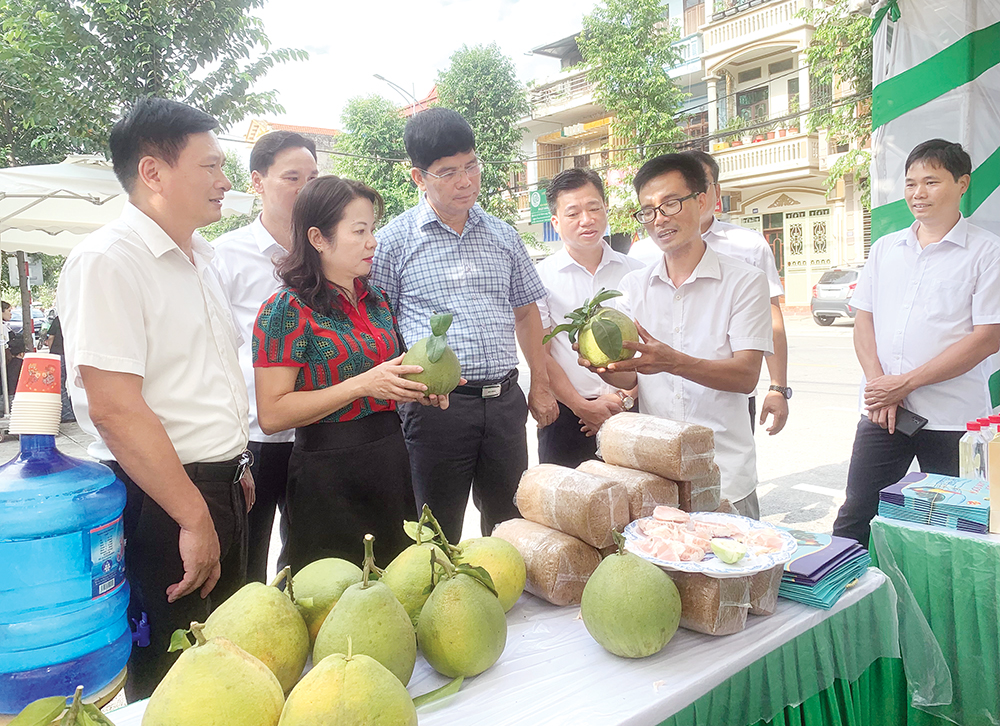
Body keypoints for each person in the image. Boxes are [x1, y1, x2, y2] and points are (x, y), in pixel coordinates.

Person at [56, 97, 252, 700]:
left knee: (229, 665)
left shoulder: (202, 259)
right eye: (211, 166)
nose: (225, 182)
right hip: (163, 499)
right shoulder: (110, 260)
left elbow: (201, 380)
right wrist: (192, 513)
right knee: (177, 680)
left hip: (217, 486)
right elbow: (115, 408)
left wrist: (234, 461)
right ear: (154, 173)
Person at [372, 107, 558, 544]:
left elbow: (526, 313)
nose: (465, 181)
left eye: (471, 166)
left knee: (511, 527)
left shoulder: (502, 234)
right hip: (436, 410)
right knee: (433, 531)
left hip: (504, 403)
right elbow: (379, 326)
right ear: (418, 177)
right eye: (448, 172)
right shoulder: (393, 242)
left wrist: (541, 385)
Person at [253, 175, 449, 573]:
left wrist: (422, 388)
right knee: (331, 593)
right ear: (318, 238)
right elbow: (272, 415)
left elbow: (383, 379)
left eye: (372, 229)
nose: (372, 241)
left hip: (389, 460)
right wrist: (361, 385)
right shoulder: (286, 309)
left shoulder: (375, 300)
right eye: (359, 231)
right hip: (327, 473)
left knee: (398, 583)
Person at [580, 154, 773, 517]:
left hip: (725, 475)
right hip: (659, 479)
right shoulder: (633, 287)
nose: (659, 220)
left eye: (670, 203)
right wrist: (601, 366)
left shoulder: (744, 281)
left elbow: (746, 374)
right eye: (648, 211)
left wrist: (675, 362)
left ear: (702, 200)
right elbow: (632, 372)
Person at [833, 139, 1000, 546]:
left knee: (958, 529)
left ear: (962, 184)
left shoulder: (986, 251)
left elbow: (987, 338)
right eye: (910, 184)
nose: (917, 194)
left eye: (930, 182)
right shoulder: (886, 248)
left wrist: (904, 383)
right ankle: (840, 601)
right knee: (857, 513)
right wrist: (881, 387)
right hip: (883, 413)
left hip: (953, 421)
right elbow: (864, 320)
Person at [214, 131, 319, 582]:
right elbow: (215, 351)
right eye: (292, 177)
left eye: (313, 177)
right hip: (253, 439)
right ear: (257, 181)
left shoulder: (325, 251)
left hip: (316, 433)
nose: (306, 187)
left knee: (310, 558)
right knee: (246, 562)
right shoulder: (224, 256)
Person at [535, 168, 643, 467]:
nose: (587, 219)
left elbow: (651, 343)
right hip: (568, 418)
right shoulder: (539, 279)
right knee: (567, 509)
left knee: (635, 505)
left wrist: (626, 398)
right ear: (556, 222)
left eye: (594, 208)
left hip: (631, 411)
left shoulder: (637, 272)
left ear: (605, 209)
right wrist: (582, 406)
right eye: (573, 213)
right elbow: (541, 354)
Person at [680, 150, 790, 435]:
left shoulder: (747, 245)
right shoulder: (646, 251)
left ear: (714, 191)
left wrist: (778, 386)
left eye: (699, 186)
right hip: (665, 398)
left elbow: (771, 319)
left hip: (731, 394)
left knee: (731, 475)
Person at [44, 315, 75, 422]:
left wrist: (52, 352)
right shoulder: (79, 316)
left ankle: (66, 413)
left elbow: (51, 337)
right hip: (74, 354)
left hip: (59, 353)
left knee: (58, 383)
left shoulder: (59, 318)